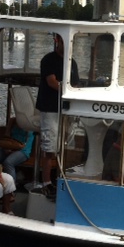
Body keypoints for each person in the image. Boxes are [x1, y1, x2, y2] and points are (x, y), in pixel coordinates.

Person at [34, 34, 79, 199]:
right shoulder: (48, 60)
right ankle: (46, 182)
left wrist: (73, 90)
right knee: (49, 147)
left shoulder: (72, 62)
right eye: (64, 42)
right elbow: (52, 82)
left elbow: (76, 83)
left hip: (65, 109)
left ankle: (60, 178)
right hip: (50, 108)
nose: (66, 45)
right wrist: (68, 89)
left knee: (64, 145)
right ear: (57, 42)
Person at [0, 116, 35, 182]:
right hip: (10, 146)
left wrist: (13, 151)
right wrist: (7, 148)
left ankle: (11, 185)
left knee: (8, 162)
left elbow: (26, 142)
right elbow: (7, 136)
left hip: (23, 150)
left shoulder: (30, 124)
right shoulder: (12, 121)